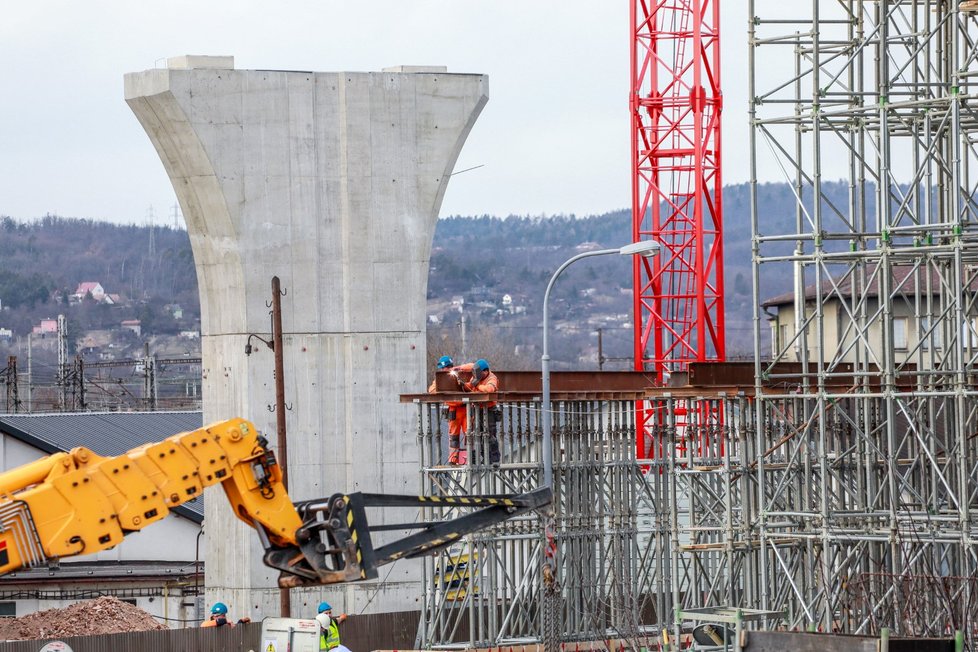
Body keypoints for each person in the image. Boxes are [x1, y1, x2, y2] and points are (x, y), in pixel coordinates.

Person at [450, 358, 501, 464]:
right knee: (479, 435)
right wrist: (463, 383)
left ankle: (494, 460)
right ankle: (484, 458)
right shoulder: (477, 375)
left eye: (479, 373)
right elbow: (470, 383)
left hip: (489, 410)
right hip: (478, 410)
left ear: (485, 371)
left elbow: (489, 390)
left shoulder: (492, 378)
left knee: (490, 435)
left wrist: (477, 385)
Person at [428, 355, 468, 465]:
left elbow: (472, 368)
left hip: (466, 409)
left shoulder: (460, 374)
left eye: (448, 367)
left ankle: (471, 458)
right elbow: (431, 390)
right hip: (453, 410)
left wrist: (459, 370)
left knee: (470, 435)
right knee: (454, 437)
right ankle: (453, 459)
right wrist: (441, 387)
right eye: (444, 368)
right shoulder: (440, 379)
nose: (445, 370)